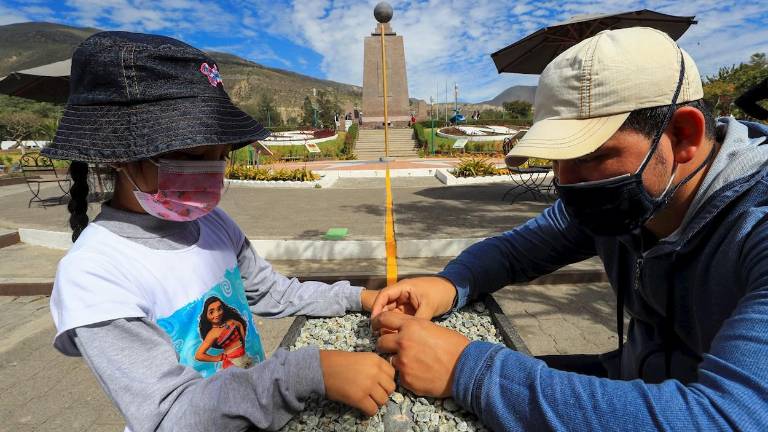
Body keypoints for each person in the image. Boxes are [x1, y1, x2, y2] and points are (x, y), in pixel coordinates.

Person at [370, 27, 768, 431]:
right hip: (637, 380)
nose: (567, 182)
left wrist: (467, 370)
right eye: (556, 159)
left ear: (683, 134)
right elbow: (513, 252)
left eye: (590, 155)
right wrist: (450, 284)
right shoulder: (616, 204)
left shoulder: (758, 224)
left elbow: (732, 417)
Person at [44, 32, 395, 432]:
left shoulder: (212, 224)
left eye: (220, 156)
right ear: (119, 155)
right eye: (193, 156)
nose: (210, 171)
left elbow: (272, 293)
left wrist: (362, 297)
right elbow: (169, 415)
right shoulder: (93, 276)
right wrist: (304, 373)